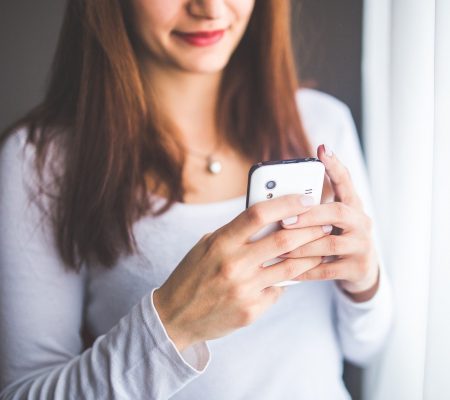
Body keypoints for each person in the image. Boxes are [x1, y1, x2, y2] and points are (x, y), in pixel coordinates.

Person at [0, 1, 393, 399]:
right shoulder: (40, 161)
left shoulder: (322, 124)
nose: (209, 9)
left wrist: (364, 282)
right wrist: (174, 324)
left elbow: (367, 345)